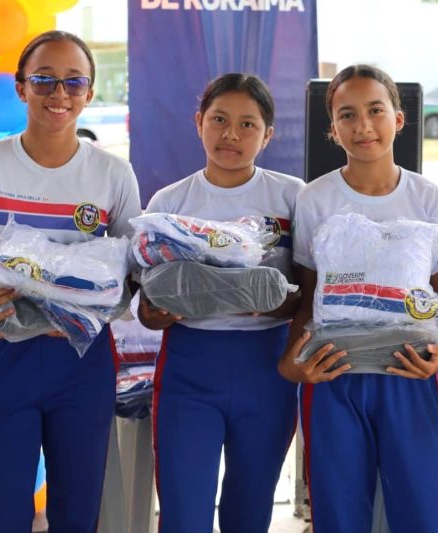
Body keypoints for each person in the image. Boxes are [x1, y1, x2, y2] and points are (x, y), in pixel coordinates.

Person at [0, 31, 141, 532]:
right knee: (1, 513)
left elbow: (130, 276)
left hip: (81, 360)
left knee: (76, 514)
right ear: (20, 88)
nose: (59, 94)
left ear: (90, 92)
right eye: (44, 80)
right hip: (1, 352)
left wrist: (93, 308)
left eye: (74, 82)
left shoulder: (114, 175)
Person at [279, 64, 438, 532]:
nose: (363, 126)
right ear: (333, 129)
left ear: (399, 119)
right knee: (339, 513)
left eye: (375, 110)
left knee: (423, 509)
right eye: (347, 115)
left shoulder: (427, 198)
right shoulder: (316, 199)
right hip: (335, 373)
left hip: (409, 373)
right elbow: (309, 293)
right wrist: (291, 363)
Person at [138, 73, 303, 533]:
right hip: (190, 368)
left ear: (268, 134)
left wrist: (270, 304)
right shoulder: (170, 203)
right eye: (219, 119)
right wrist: (160, 310)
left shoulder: (292, 197)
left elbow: (310, 292)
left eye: (248, 124)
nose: (231, 134)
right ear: (198, 122)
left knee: (248, 513)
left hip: (267, 368)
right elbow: (147, 308)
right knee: (184, 514)